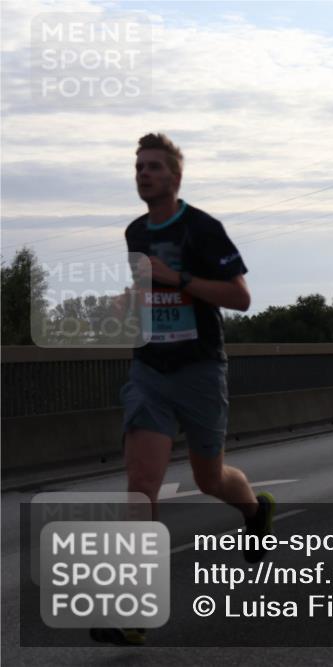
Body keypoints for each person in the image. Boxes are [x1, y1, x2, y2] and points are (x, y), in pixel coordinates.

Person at [97, 134, 274, 646]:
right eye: (138, 166)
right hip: (150, 367)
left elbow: (240, 297)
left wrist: (178, 277)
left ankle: (254, 510)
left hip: (199, 368)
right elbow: (146, 288)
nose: (143, 173)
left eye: (153, 167)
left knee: (209, 477)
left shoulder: (203, 228)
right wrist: (128, 301)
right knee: (140, 482)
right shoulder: (134, 231)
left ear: (174, 178)